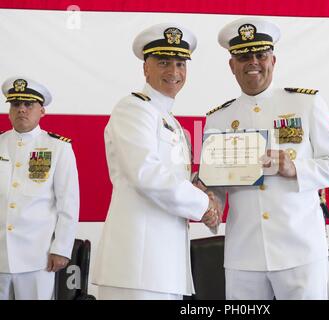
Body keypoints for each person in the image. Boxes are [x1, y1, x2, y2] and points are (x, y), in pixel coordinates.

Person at [202, 17, 329, 300]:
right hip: (244, 255)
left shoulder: (306, 103)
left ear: (273, 59)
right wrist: (208, 201)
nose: (253, 62)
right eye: (244, 56)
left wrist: (294, 168)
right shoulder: (217, 118)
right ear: (232, 65)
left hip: (300, 250)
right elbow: (217, 185)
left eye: (261, 54)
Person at [92, 23, 220, 300]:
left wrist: (202, 190)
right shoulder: (133, 109)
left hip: (163, 267)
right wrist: (203, 204)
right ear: (145, 68)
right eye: (163, 62)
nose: (173, 72)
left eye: (180, 63)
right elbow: (146, 173)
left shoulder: (169, 121)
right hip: (135, 266)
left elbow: (174, 181)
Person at [0, 77, 79, 300]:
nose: (22, 110)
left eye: (29, 104)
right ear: (9, 110)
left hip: (37, 256)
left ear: (42, 111)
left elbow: (68, 203)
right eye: (16, 104)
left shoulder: (58, 147)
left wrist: (61, 249)